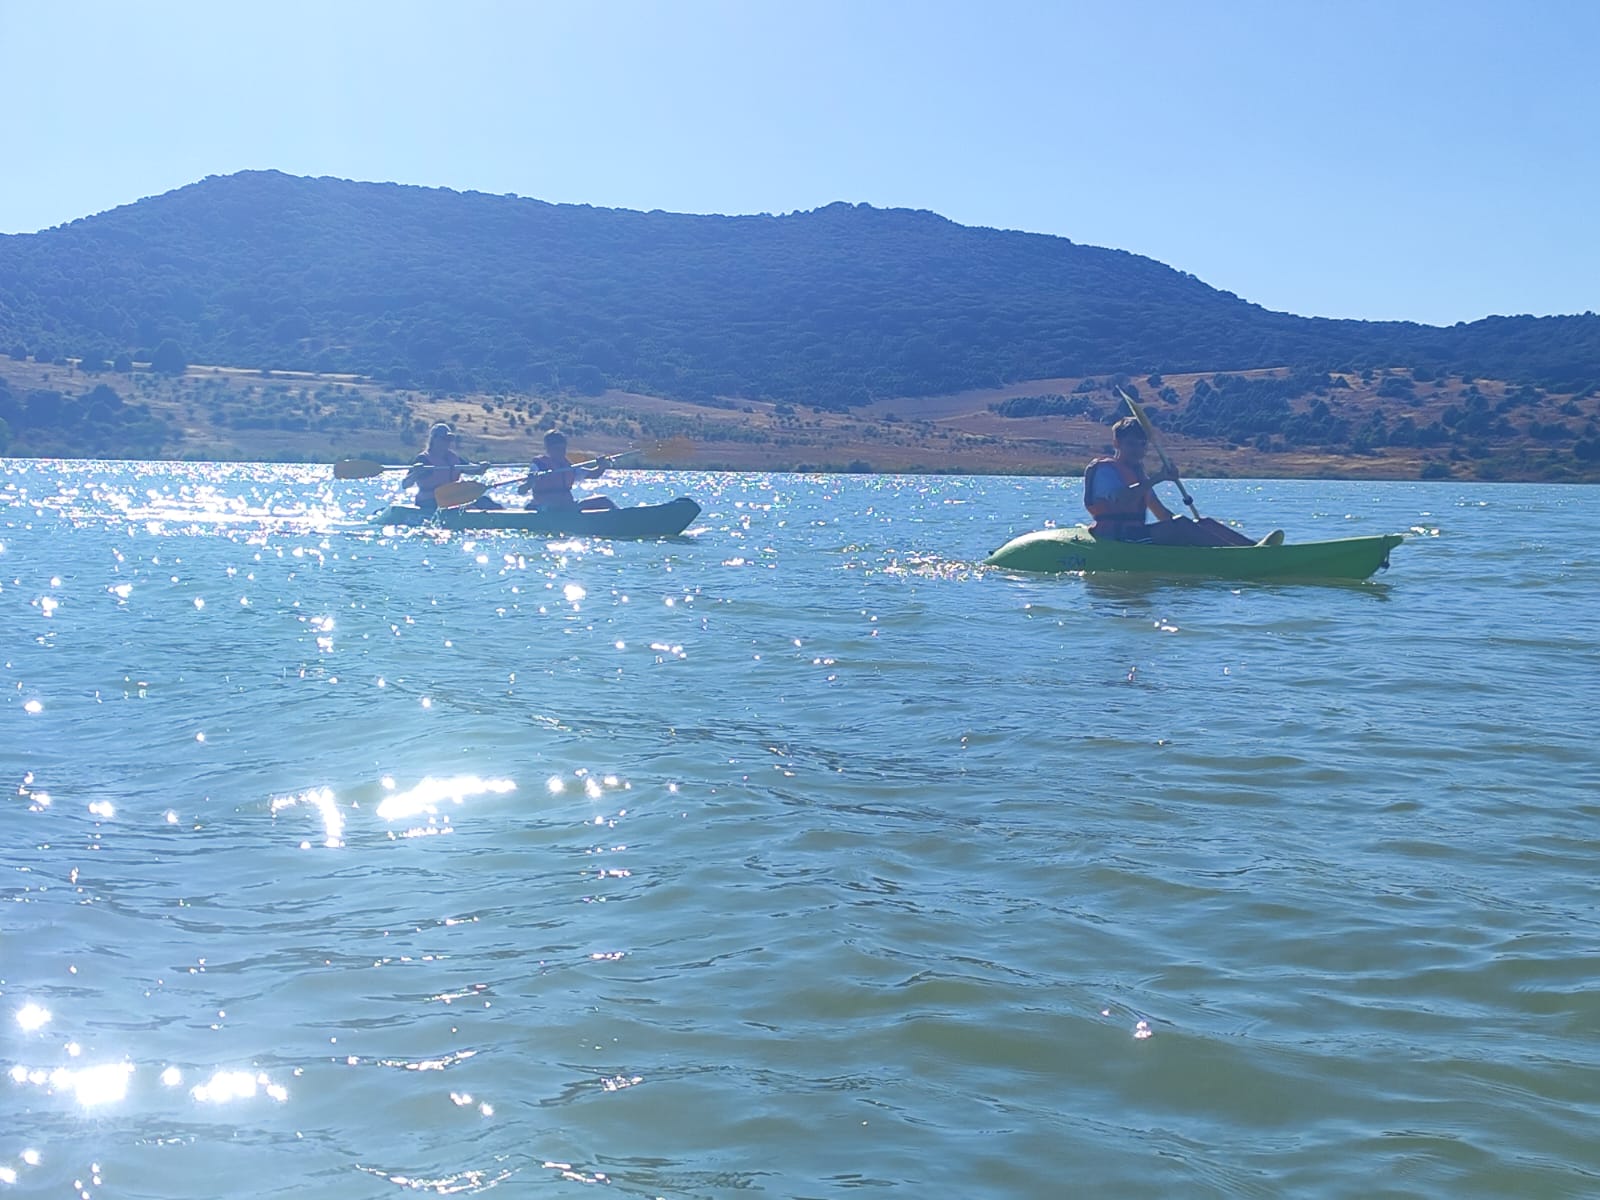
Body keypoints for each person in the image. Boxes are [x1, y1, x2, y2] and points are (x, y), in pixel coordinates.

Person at [1083, 416, 1264, 546]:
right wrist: (1159, 478)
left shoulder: (1138, 475)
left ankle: (1254, 549)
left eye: (1142, 444)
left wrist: (1197, 530)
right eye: (1131, 444)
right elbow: (1123, 498)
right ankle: (1232, 556)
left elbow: (1162, 514)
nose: (1137, 449)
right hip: (1116, 537)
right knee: (1182, 524)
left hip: (1136, 535)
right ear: (1117, 443)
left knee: (1204, 522)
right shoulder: (1106, 470)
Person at [400, 422, 501, 513]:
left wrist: (482, 467)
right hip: (429, 502)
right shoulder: (423, 459)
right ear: (434, 439)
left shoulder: (453, 458)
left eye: (449, 439)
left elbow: (475, 470)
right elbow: (405, 484)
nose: (447, 442)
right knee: (458, 508)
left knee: (485, 502)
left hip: (452, 499)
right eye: (444, 439)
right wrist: (416, 473)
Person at [516, 430, 618, 511]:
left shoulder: (568, 467)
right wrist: (530, 483)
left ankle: (621, 518)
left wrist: (602, 466)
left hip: (568, 508)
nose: (561, 452)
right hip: (545, 509)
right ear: (548, 449)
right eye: (557, 449)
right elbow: (521, 491)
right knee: (553, 507)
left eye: (563, 449)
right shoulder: (538, 466)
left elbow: (594, 474)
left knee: (604, 501)